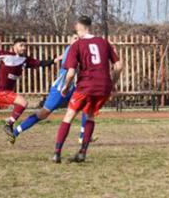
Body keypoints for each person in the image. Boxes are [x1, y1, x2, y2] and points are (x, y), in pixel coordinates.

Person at [0, 38, 59, 148]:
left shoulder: (25, 59)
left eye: (25, 45)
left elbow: (40, 63)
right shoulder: (6, 54)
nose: (24, 47)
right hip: (1, 91)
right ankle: (9, 124)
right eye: (21, 45)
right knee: (23, 102)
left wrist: (55, 60)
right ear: (14, 46)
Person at [52, 15, 123, 163]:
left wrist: (65, 87)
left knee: (69, 116)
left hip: (86, 85)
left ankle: (57, 153)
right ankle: (82, 152)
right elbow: (118, 66)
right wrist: (112, 83)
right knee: (90, 115)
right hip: (103, 86)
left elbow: (71, 72)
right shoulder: (103, 42)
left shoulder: (76, 45)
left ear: (78, 26)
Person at [10, 35, 90, 145]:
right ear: (69, 40)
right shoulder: (70, 50)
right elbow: (72, 70)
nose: (78, 41)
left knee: (87, 105)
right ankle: (15, 132)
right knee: (43, 114)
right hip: (59, 89)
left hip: (71, 88)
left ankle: (83, 136)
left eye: (80, 39)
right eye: (75, 38)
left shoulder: (78, 51)